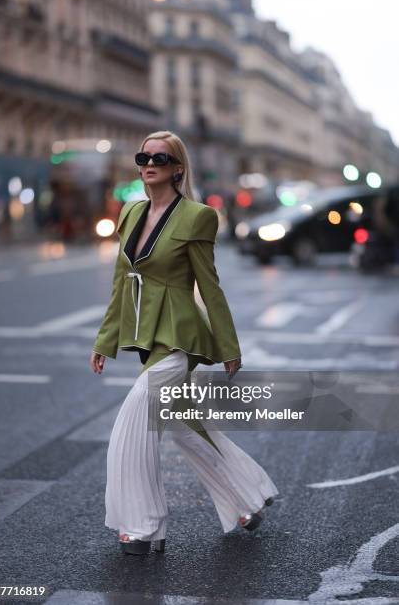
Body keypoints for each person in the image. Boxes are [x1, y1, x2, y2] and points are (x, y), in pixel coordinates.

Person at [90, 130, 279, 555]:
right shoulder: (130, 212)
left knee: (134, 420)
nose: (149, 162)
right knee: (182, 428)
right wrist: (105, 340)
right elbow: (122, 283)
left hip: (180, 336)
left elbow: (209, 287)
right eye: (144, 156)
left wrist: (229, 346)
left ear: (178, 167)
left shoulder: (197, 216)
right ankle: (246, 500)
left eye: (160, 157)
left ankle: (142, 526)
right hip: (145, 332)